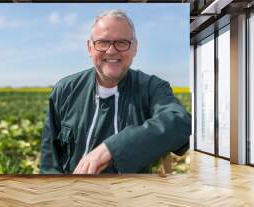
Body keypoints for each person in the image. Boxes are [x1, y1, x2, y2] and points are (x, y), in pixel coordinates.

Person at [40, 9, 191, 174]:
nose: (111, 51)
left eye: (121, 42)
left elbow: (180, 124)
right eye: (102, 42)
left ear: (134, 47)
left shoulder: (152, 88)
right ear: (90, 47)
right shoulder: (64, 90)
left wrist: (111, 149)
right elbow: (50, 163)